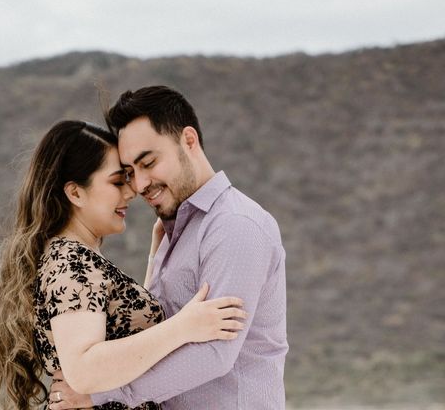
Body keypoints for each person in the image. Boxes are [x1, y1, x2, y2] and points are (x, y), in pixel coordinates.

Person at [0, 120, 246, 410]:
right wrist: (183, 327)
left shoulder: (75, 259)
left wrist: (155, 262)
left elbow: (117, 329)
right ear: (75, 193)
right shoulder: (72, 263)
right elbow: (84, 369)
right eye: (118, 181)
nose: (131, 191)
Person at [50, 86, 288, 410]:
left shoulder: (235, 225)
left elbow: (215, 353)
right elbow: (158, 331)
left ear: (189, 141)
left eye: (148, 163)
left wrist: (99, 395)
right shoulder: (172, 230)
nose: (140, 184)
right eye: (130, 172)